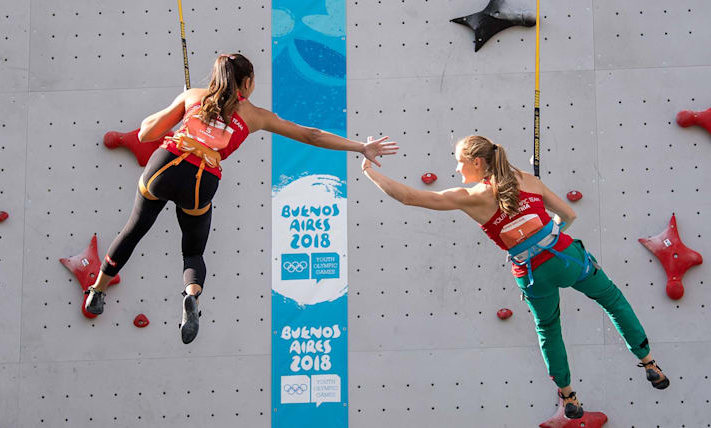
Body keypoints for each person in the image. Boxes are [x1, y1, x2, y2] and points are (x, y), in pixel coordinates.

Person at [83, 53, 398, 344]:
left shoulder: (194, 96)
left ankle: (97, 291)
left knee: (134, 229)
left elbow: (145, 134)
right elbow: (310, 135)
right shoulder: (254, 115)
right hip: (201, 178)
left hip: (165, 164)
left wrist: (181, 103)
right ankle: (191, 295)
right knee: (192, 253)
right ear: (246, 83)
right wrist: (360, 147)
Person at [360, 134, 669, 419]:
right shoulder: (528, 180)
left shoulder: (472, 197)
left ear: (477, 162)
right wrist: (546, 232)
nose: (456, 168)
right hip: (566, 257)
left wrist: (369, 171)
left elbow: (410, 198)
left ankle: (569, 396)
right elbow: (569, 216)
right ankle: (649, 362)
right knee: (612, 300)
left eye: (459, 160)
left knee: (548, 328)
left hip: (533, 273)